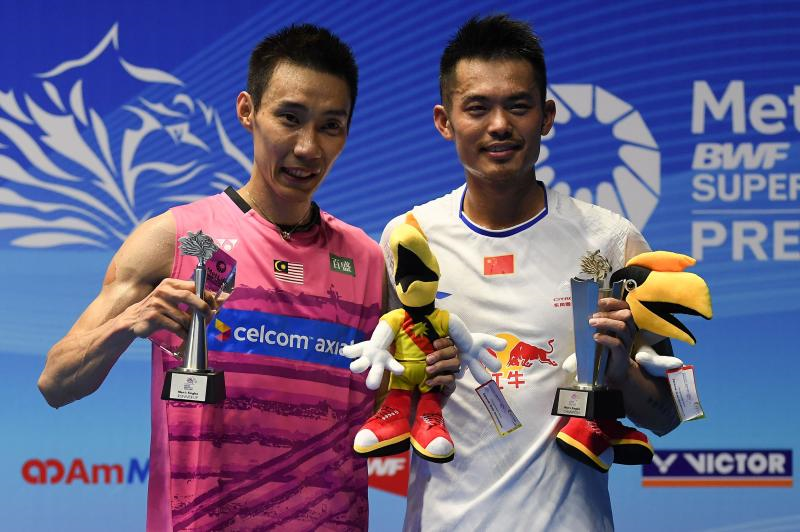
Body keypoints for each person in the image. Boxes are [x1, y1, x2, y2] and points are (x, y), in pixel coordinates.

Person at [38, 24, 457, 530]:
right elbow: (56, 382)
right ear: (247, 111)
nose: (308, 147)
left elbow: (397, 405)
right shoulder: (175, 238)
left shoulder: (368, 261)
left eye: (330, 125)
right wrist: (130, 321)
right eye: (289, 118)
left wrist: (434, 371)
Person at [380, 15, 681, 531]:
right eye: (477, 107)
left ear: (546, 116)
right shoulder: (408, 238)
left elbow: (668, 414)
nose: (499, 124)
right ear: (445, 121)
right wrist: (415, 377)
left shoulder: (612, 240)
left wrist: (621, 374)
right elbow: (380, 398)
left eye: (518, 106)